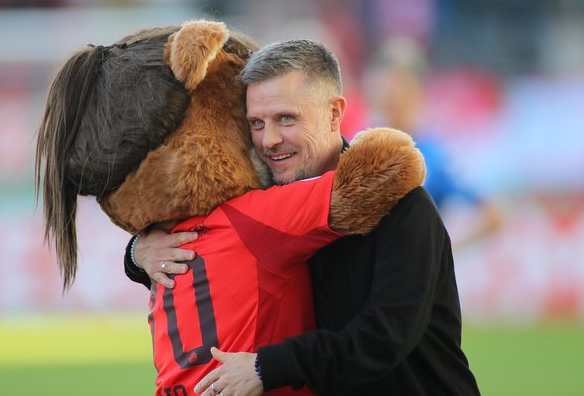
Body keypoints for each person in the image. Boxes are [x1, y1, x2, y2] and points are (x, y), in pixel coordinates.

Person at [126, 39, 480, 395]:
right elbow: (209, 253)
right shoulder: (260, 199)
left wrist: (267, 367)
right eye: (257, 123)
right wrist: (139, 253)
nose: (269, 140)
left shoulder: (400, 203)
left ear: (334, 114)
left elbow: (383, 337)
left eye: (286, 119)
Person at [365, 37, 500, 249]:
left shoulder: (436, 153)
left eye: (399, 85)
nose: (390, 94)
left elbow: (493, 214)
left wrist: (439, 255)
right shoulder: (356, 146)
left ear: (417, 91)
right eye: (384, 85)